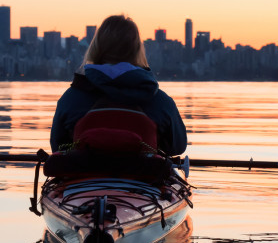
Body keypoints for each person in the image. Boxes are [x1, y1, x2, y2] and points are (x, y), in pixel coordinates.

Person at [50, 15, 187, 156]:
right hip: (142, 175)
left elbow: (57, 147)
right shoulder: (161, 102)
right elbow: (177, 147)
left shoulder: (71, 99)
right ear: (137, 49)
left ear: (97, 47)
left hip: (83, 175)